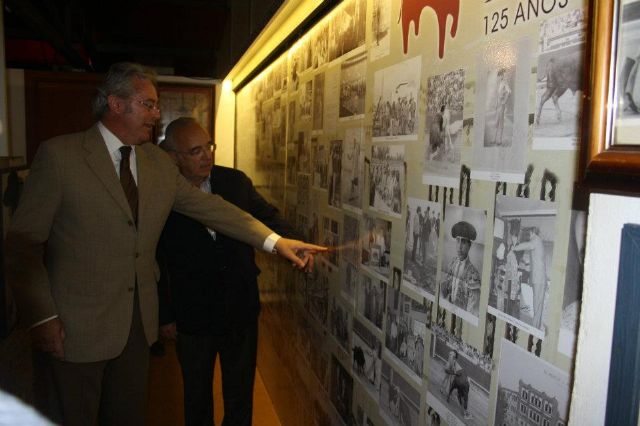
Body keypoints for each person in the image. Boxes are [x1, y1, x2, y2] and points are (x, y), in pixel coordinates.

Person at [4, 62, 324, 426]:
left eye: (156, 106)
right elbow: (22, 245)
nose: (156, 115)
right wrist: (42, 316)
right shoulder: (60, 156)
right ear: (116, 104)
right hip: (76, 328)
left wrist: (275, 241)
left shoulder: (156, 163)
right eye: (148, 105)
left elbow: (210, 207)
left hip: (138, 328)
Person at [156, 117, 298, 425]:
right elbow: (155, 260)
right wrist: (164, 315)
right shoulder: (161, 195)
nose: (207, 155)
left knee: (240, 394)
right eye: (195, 151)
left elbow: (266, 218)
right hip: (191, 314)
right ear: (174, 158)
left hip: (240, 307)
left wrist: (290, 244)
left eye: (209, 146)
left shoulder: (234, 182)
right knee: (196, 395)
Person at [440, 221, 481, 316]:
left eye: (463, 242)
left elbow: (472, 311)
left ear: (469, 246)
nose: (459, 247)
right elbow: (443, 291)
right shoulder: (452, 263)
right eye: (458, 240)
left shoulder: (473, 274)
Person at [513, 226, 547, 329]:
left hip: (539, 278)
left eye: (528, 233)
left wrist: (515, 247)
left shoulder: (535, 240)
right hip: (538, 278)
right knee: (537, 303)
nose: (527, 235)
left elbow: (527, 245)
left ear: (532, 232)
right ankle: (536, 326)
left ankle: (535, 328)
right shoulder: (536, 242)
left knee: (537, 304)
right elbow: (534, 261)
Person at [494, 68, 511, 146]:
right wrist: (496, 104)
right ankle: (494, 139)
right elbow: (498, 95)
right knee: (496, 122)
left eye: (503, 75)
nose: (502, 76)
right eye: (502, 75)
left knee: (501, 122)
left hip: (501, 105)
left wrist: (504, 101)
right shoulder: (500, 83)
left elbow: (509, 92)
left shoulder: (505, 83)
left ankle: (499, 140)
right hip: (498, 105)